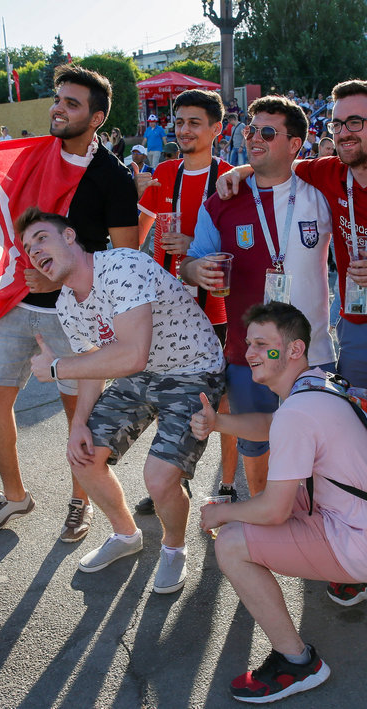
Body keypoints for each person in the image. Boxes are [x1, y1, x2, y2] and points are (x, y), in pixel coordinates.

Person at [216, 79, 367, 603]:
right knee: (362, 443)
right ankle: (364, 535)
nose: (344, 133)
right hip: (358, 331)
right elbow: (278, 163)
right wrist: (238, 170)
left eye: (356, 123)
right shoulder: (325, 172)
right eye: (337, 123)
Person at [193, 301, 367, 703]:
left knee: (232, 543)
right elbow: (273, 424)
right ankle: (348, 577)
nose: (251, 352)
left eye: (263, 344)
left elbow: (274, 510)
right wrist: (219, 422)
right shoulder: (319, 384)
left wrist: (221, 512)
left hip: (360, 545)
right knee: (288, 488)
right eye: (249, 343)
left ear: (293, 350)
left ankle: (298, 663)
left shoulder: (297, 413)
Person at [0, 64, 139, 542]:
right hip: (19, 303)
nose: (59, 109)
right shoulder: (32, 155)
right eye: (58, 99)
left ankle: (79, 501)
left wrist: (59, 278)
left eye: (72, 104)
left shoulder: (112, 176)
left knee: (77, 416)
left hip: (75, 314)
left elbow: (122, 261)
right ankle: (16, 497)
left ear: (97, 117)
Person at [18, 206, 225, 594]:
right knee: (82, 455)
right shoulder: (66, 303)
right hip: (142, 375)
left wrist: (59, 367)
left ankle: (174, 548)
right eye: (29, 249)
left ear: (69, 237)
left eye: (42, 238)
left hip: (192, 369)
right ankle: (125, 535)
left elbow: (131, 355)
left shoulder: (121, 266)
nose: (35, 251)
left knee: (159, 478)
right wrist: (78, 424)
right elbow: (95, 366)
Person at [180, 95, 335, 497]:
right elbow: (191, 262)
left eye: (268, 132)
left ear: (296, 144)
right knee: (257, 455)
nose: (255, 138)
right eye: (251, 130)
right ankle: (266, 533)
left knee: (317, 457)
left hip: (311, 355)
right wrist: (195, 270)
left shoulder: (320, 191)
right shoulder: (223, 200)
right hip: (247, 356)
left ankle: (309, 541)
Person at [136, 88, 237, 513]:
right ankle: (172, 479)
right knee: (169, 397)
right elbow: (140, 230)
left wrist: (193, 244)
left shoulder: (232, 176)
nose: (184, 130)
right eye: (179, 122)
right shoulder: (163, 173)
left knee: (227, 401)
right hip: (168, 308)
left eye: (195, 122)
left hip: (216, 308)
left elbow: (241, 244)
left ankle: (228, 485)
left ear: (217, 129)